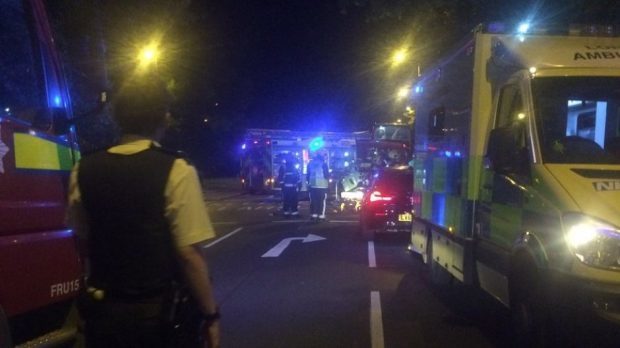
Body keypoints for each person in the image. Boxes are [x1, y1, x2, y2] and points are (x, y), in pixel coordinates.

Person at [67, 77, 220, 348]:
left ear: (117, 116)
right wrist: (211, 316)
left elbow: (82, 240)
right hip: (159, 321)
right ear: (164, 117)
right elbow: (189, 257)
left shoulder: (83, 169)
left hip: (104, 317)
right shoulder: (177, 170)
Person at [306, 152, 329, 221]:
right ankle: (321, 216)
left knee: (313, 201)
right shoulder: (323, 164)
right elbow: (326, 175)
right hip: (322, 185)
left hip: (312, 185)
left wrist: (309, 183)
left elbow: (308, 175)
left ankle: (314, 215)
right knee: (321, 201)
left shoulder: (310, 164)